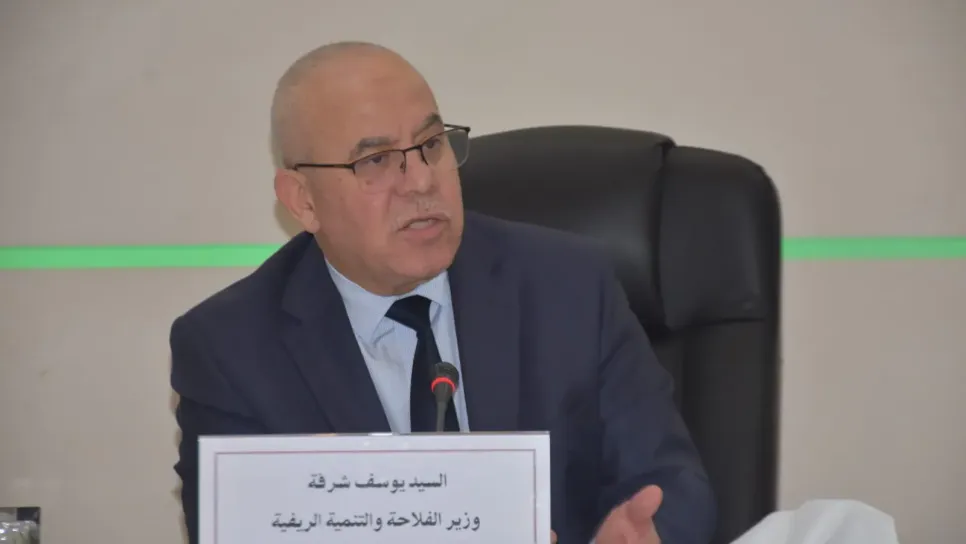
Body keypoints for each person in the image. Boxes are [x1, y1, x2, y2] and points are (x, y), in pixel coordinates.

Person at [170, 41, 716, 544]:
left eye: (431, 145)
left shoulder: (568, 286)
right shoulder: (230, 351)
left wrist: (648, 535)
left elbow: (671, 484)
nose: (421, 181)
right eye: (375, 161)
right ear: (303, 201)